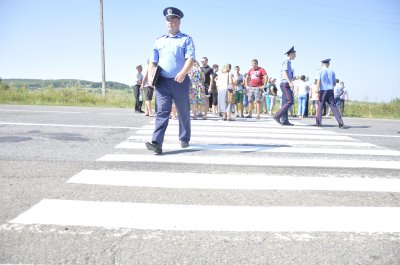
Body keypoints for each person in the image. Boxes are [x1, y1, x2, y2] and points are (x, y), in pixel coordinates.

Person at [145, 7, 195, 154]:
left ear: (179, 21)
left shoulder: (186, 39)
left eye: (173, 19)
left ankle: (184, 137)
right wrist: (149, 75)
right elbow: (153, 61)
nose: (170, 22)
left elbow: (191, 59)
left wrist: (183, 72)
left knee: (183, 111)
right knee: (161, 112)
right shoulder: (159, 41)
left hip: (180, 81)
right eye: (168, 19)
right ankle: (157, 143)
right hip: (162, 83)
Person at [315, 59, 344, 128]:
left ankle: (318, 123)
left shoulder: (320, 71)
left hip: (323, 90)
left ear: (322, 64)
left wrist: (316, 91)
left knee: (320, 106)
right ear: (328, 64)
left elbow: (318, 82)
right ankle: (340, 121)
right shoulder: (332, 72)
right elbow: (334, 83)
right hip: (330, 90)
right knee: (333, 106)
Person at [273, 46, 296, 125]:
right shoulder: (286, 61)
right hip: (285, 83)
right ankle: (277, 115)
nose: (295, 55)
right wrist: (289, 82)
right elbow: (284, 73)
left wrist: (293, 78)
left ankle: (285, 120)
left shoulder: (289, 62)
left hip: (286, 83)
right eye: (294, 54)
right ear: (291, 54)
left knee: (285, 102)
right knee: (290, 101)